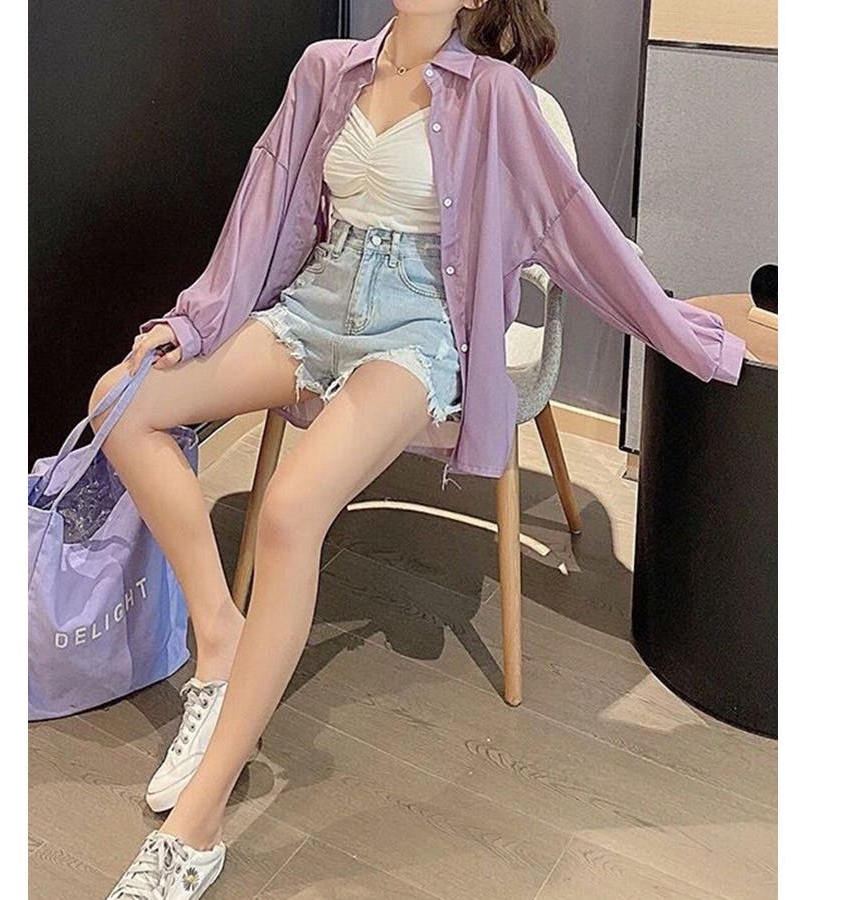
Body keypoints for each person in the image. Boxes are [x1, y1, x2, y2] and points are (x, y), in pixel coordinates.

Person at [97, 2, 748, 896]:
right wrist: (195, 319)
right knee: (121, 401)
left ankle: (197, 827)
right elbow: (263, 205)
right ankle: (219, 636)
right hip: (318, 300)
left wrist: (689, 334)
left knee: (289, 510)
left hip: (416, 326)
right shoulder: (325, 67)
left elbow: (575, 227)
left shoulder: (498, 96)